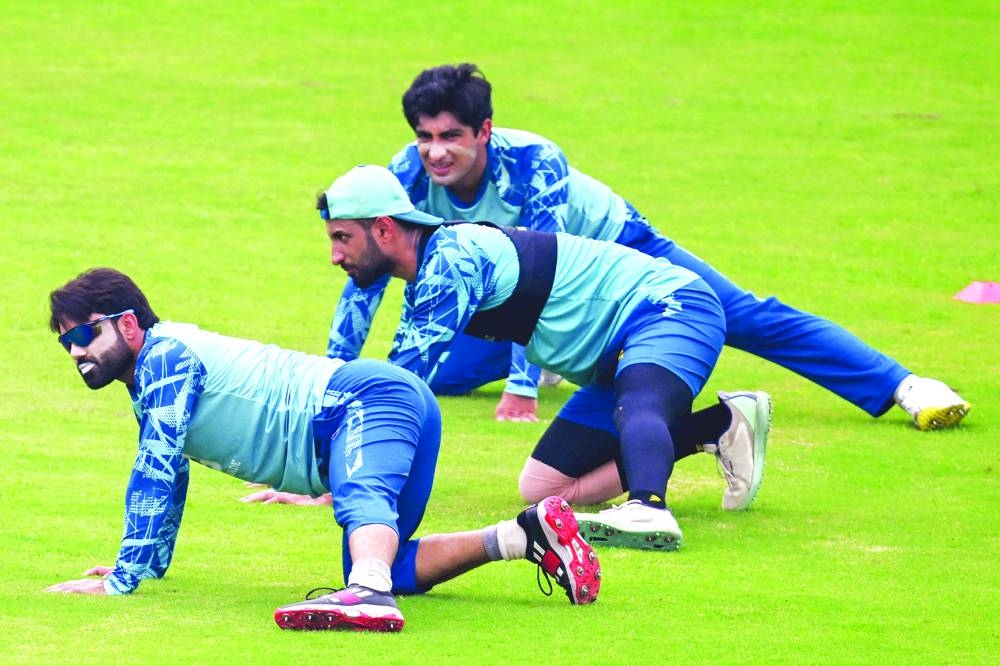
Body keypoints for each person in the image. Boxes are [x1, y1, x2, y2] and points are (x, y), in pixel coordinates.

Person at [326, 63, 971, 430]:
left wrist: (522, 390)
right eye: (424, 136)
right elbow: (365, 281)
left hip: (615, 261)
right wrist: (330, 385)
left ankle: (905, 385)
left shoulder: (534, 161)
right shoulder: (401, 177)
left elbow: (541, 260)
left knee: (741, 316)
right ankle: (556, 358)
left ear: (485, 131)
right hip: (509, 295)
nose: (436, 151)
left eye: (452, 136)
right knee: (446, 371)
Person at [43, 268, 601, 632]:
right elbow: (170, 474)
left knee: (366, 542)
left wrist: (122, 582)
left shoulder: (164, 357)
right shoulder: (151, 379)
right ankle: (523, 535)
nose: (75, 352)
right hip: (382, 403)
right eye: (65, 342)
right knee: (385, 563)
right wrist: (141, 565)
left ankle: (367, 596)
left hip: (364, 398)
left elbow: (155, 471)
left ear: (130, 325)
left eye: (82, 335)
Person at [314, 164, 771, 551]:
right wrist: (321, 463)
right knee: (544, 489)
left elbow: (399, 385)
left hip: (670, 306)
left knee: (640, 402)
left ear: (384, 229)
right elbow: (362, 344)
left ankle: (648, 508)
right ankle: (716, 426)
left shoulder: (451, 261)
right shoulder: (426, 270)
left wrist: (341, 478)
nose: (335, 256)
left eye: (342, 238)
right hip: (614, 352)